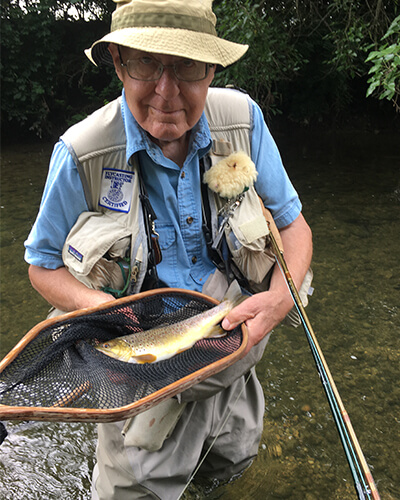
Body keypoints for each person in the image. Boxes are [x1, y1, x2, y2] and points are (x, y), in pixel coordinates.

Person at [24, 0, 313, 498]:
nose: (166, 90)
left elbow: (294, 228)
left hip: (233, 340)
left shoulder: (243, 119)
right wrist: (108, 313)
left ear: (212, 69)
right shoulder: (81, 152)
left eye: (187, 67)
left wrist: (279, 300)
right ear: (117, 61)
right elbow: (42, 266)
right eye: (145, 63)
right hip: (143, 371)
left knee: (233, 460)